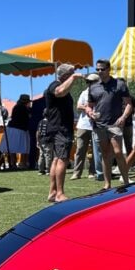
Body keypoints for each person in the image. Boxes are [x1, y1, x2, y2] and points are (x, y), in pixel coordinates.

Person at [85, 59, 131, 189]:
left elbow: (128, 103)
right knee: (105, 154)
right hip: (99, 125)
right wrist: (90, 113)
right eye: (97, 69)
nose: (100, 71)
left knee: (117, 152)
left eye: (102, 69)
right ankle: (107, 184)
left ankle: (126, 181)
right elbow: (89, 106)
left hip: (115, 125)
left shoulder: (119, 84)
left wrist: (123, 117)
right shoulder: (93, 87)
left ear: (109, 69)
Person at [45, 63, 83, 202]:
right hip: (60, 129)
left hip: (59, 128)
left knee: (56, 159)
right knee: (62, 160)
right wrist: (73, 78)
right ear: (65, 75)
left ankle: (52, 192)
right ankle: (60, 193)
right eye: (71, 73)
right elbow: (59, 92)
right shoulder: (54, 85)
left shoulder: (61, 86)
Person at [72, 73, 100, 180]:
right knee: (80, 149)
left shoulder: (101, 93)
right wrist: (88, 108)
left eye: (91, 82)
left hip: (96, 125)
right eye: (88, 82)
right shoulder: (84, 93)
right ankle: (77, 173)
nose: (89, 84)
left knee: (95, 151)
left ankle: (92, 172)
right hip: (83, 125)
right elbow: (78, 106)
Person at [1, 93, 31, 169]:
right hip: (20, 129)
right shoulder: (24, 108)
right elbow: (27, 119)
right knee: (23, 148)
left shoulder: (16, 107)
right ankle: (23, 163)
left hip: (12, 128)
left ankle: (13, 164)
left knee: (12, 148)